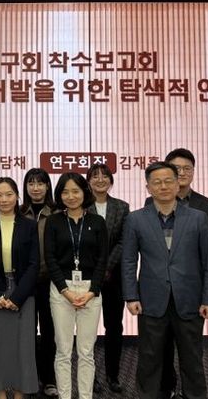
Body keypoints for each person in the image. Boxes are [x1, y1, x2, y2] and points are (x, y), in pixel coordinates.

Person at [124, 161, 208, 399]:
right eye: (157, 182)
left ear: (178, 184)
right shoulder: (136, 219)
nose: (163, 186)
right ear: (148, 188)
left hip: (190, 300)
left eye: (168, 181)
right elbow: (128, 261)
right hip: (151, 300)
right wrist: (131, 296)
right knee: (149, 358)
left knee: (192, 359)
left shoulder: (198, 218)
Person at [45, 172, 108, 399]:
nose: (70, 196)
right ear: (59, 195)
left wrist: (92, 291)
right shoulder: (53, 221)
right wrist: (66, 291)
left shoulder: (97, 222)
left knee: (86, 352)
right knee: (63, 351)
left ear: (84, 192)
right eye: (65, 192)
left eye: (75, 191)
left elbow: (102, 259)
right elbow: (50, 258)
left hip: (90, 291)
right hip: (62, 290)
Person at [0, 177, 39, 398]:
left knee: (23, 345)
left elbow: (34, 264)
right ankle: (1, 393)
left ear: (17, 196)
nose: (4, 199)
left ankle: (21, 392)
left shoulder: (29, 225)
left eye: (9, 194)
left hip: (22, 290)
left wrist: (18, 297)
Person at [86, 163, 130, 394]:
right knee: (88, 329)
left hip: (113, 277)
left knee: (114, 327)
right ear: (88, 181)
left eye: (105, 176)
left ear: (111, 181)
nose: (100, 180)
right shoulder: (81, 206)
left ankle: (113, 375)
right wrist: (96, 269)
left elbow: (124, 241)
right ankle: (91, 377)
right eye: (95, 176)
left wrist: (106, 266)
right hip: (86, 277)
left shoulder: (122, 207)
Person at [20, 168, 58, 398]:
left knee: (49, 331)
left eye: (40, 183)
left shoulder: (57, 212)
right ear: (25, 187)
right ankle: (30, 377)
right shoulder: (18, 211)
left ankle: (49, 378)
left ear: (47, 186)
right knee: (27, 331)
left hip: (50, 280)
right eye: (31, 183)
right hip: (24, 281)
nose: (36, 188)